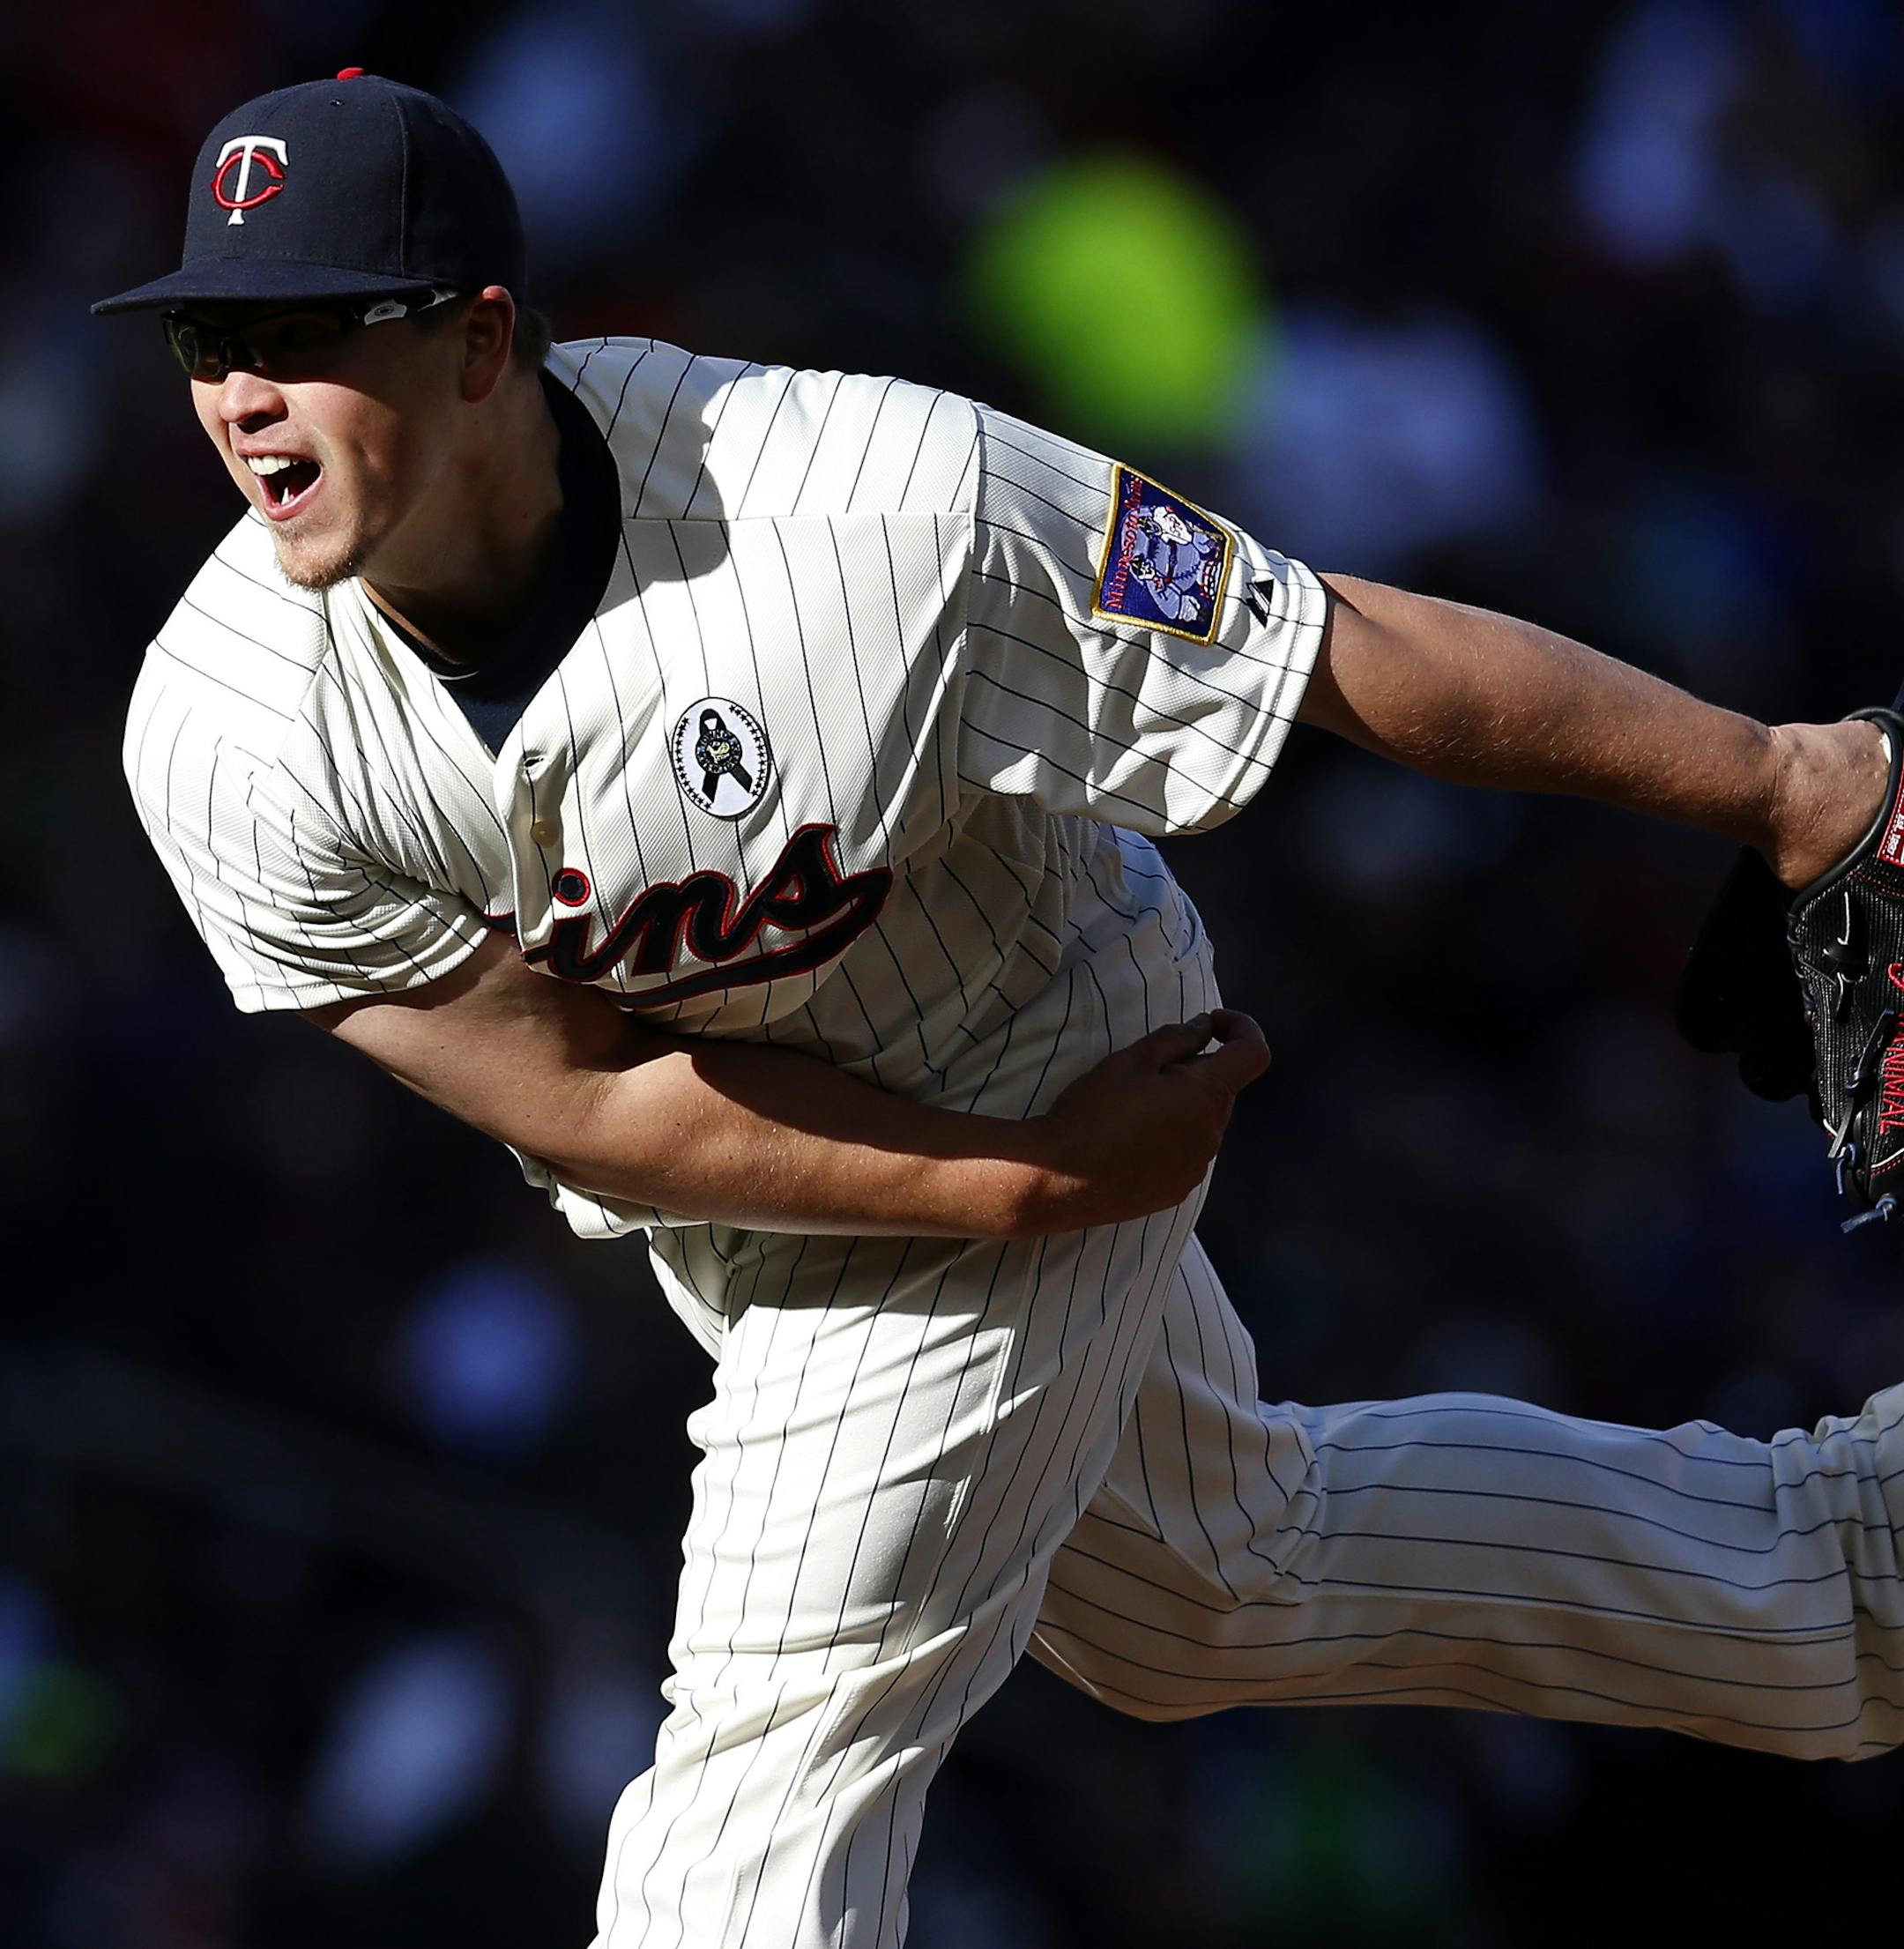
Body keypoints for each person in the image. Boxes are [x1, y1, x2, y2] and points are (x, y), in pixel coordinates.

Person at [96, 71, 1904, 1949]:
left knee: (762, 1779)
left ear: (480, 343)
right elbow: (592, 1101)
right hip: (810, 1171)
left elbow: (1318, 642)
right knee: (1205, 1588)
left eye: (307, 334)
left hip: (1035, 1034)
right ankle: (1871, 1571)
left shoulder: (868, 503)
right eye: (211, 342)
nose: (243, 392)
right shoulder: (231, 735)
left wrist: (1791, 782)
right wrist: (1018, 1187)